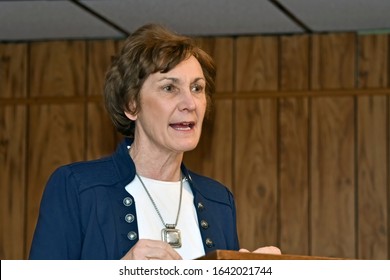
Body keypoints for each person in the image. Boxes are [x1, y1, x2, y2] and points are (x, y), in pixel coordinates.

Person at [29, 23, 280, 260]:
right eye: (170, 88)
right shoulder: (78, 187)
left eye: (197, 88)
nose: (190, 103)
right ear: (131, 104)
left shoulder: (218, 201)